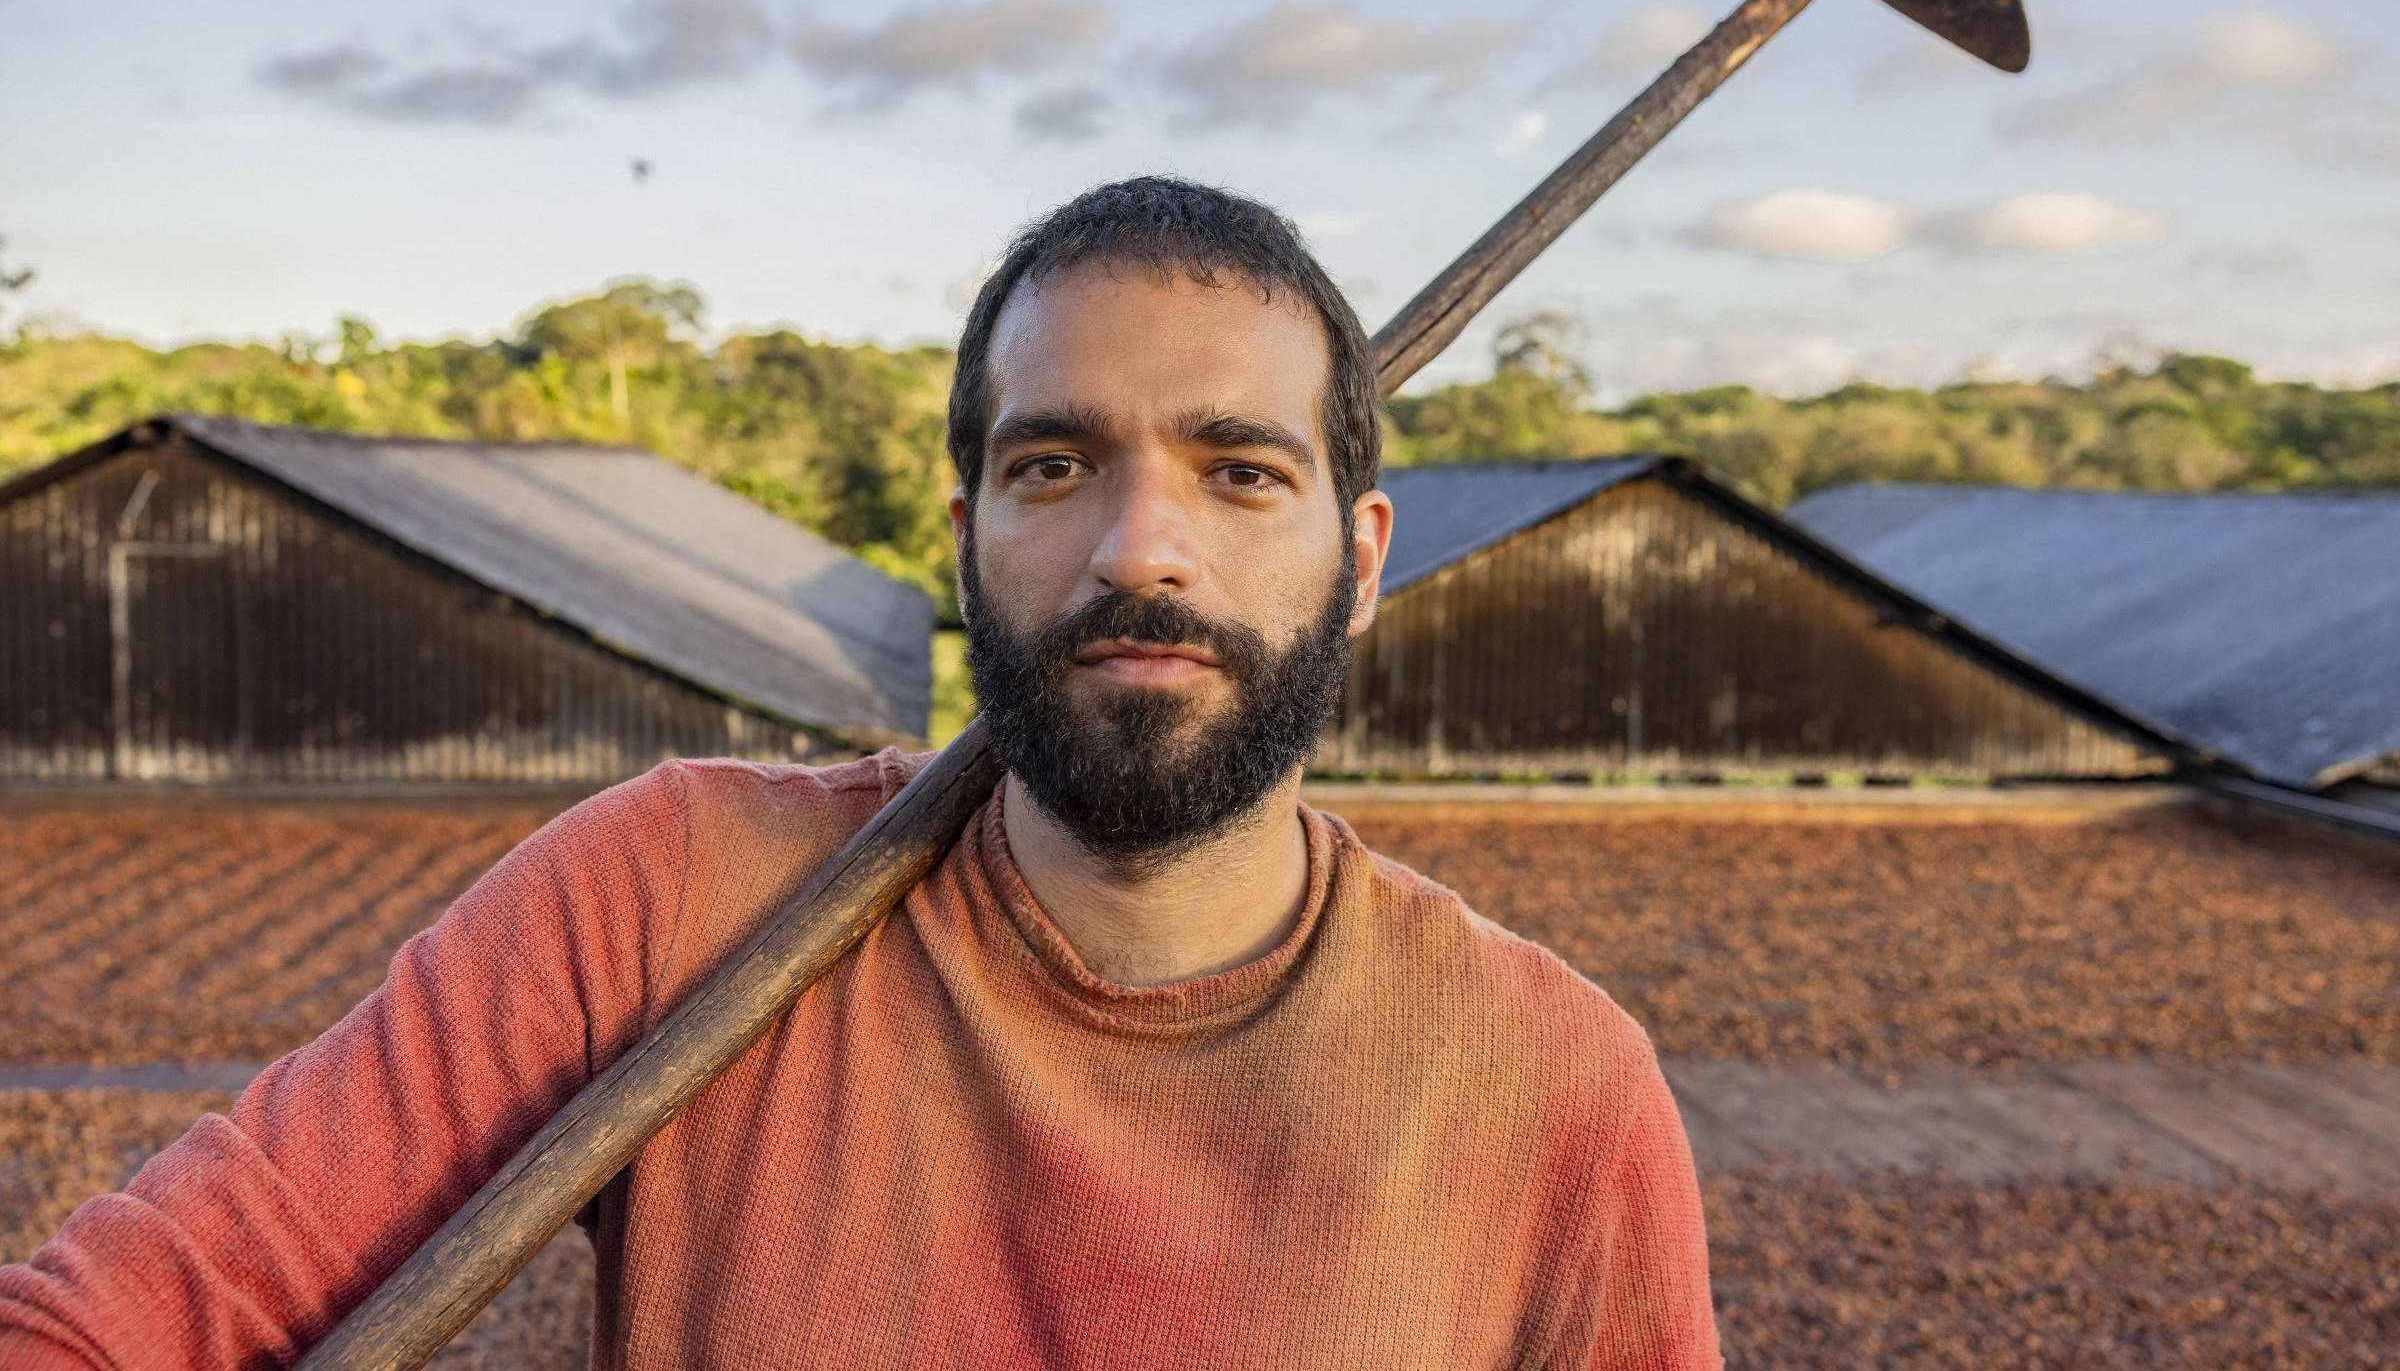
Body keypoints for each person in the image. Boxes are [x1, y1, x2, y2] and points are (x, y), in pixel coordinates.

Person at [0, 177, 1720, 1369]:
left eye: (1239, 471)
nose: (1144, 548)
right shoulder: (676, 901)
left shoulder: (1553, 1089)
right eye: (1057, 465)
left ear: (1360, 554)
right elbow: (149, 1302)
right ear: (966, 535)